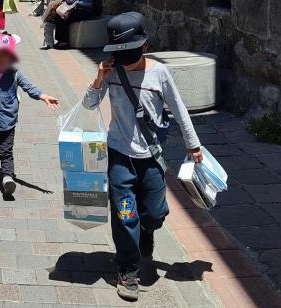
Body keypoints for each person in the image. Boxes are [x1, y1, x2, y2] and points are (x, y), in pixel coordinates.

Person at [82, 12, 203, 301]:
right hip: (119, 155)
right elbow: (88, 104)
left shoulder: (159, 73)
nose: (127, 60)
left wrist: (193, 144)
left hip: (151, 157)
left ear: (145, 47)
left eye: (132, 53)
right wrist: (99, 77)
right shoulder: (112, 71)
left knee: (154, 213)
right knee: (125, 215)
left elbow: (179, 108)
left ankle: (146, 234)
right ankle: (128, 268)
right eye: (121, 54)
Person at [0, 32, 60, 196]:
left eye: (4, 57)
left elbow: (29, 87)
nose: (0, 60)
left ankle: (8, 177)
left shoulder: (16, 74)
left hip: (8, 121)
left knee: (6, 151)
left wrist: (43, 96)